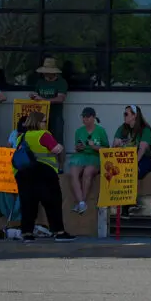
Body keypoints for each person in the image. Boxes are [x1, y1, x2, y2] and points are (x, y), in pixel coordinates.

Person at [12, 111, 75, 243]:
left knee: (28, 204)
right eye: (43, 121)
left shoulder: (22, 136)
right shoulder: (44, 135)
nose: (45, 124)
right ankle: (59, 232)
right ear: (37, 122)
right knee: (53, 203)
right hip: (44, 172)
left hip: (23, 174)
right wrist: (61, 147)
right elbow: (56, 149)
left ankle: (27, 233)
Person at [31, 57, 68, 171]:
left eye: (48, 72)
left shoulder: (61, 82)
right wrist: (34, 97)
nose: (46, 74)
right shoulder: (40, 82)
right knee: (41, 139)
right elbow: (36, 95)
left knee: (58, 141)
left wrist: (43, 99)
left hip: (55, 115)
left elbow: (61, 98)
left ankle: (61, 167)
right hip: (41, 116)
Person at [68, 107, 107, 215]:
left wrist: (94, 146)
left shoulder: (100, 131)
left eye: (87, 117)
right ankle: (80, 202)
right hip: (81, 155)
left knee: (87, 172)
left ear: (93, 118)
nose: (85, 119)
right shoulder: (79, 131)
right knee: (73, 173)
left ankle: (83, 201)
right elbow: (77, 146)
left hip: (95, 156)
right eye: (83, 117)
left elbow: (106, 149)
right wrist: (79, 147)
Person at [113, 105, 151, 182]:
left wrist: (133, 164)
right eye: (124, 114)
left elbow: (142, 149)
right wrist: (117, 144)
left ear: (134, 115)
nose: (124, 116)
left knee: (132, 172)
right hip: (126, 158)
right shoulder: (123, 128)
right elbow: (114, 145)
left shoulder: (145, 129)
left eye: (126, 114)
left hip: (144, 158)